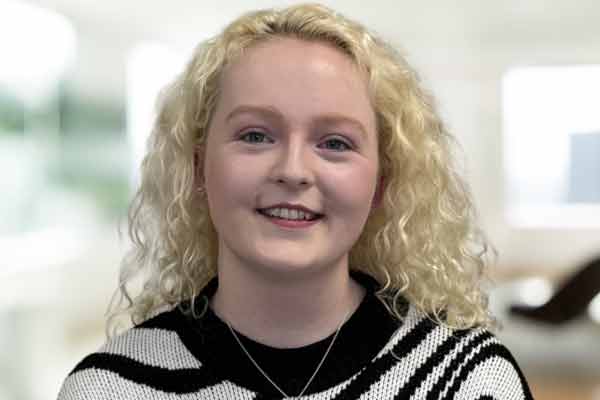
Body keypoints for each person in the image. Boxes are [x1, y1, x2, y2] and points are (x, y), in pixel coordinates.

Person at [57, 3, 534, 399]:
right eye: (255, 135)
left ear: (380, 185)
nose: (293, 170)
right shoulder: (108, 389)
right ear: (199, 168)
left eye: (335, 143)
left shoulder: (472, 381)